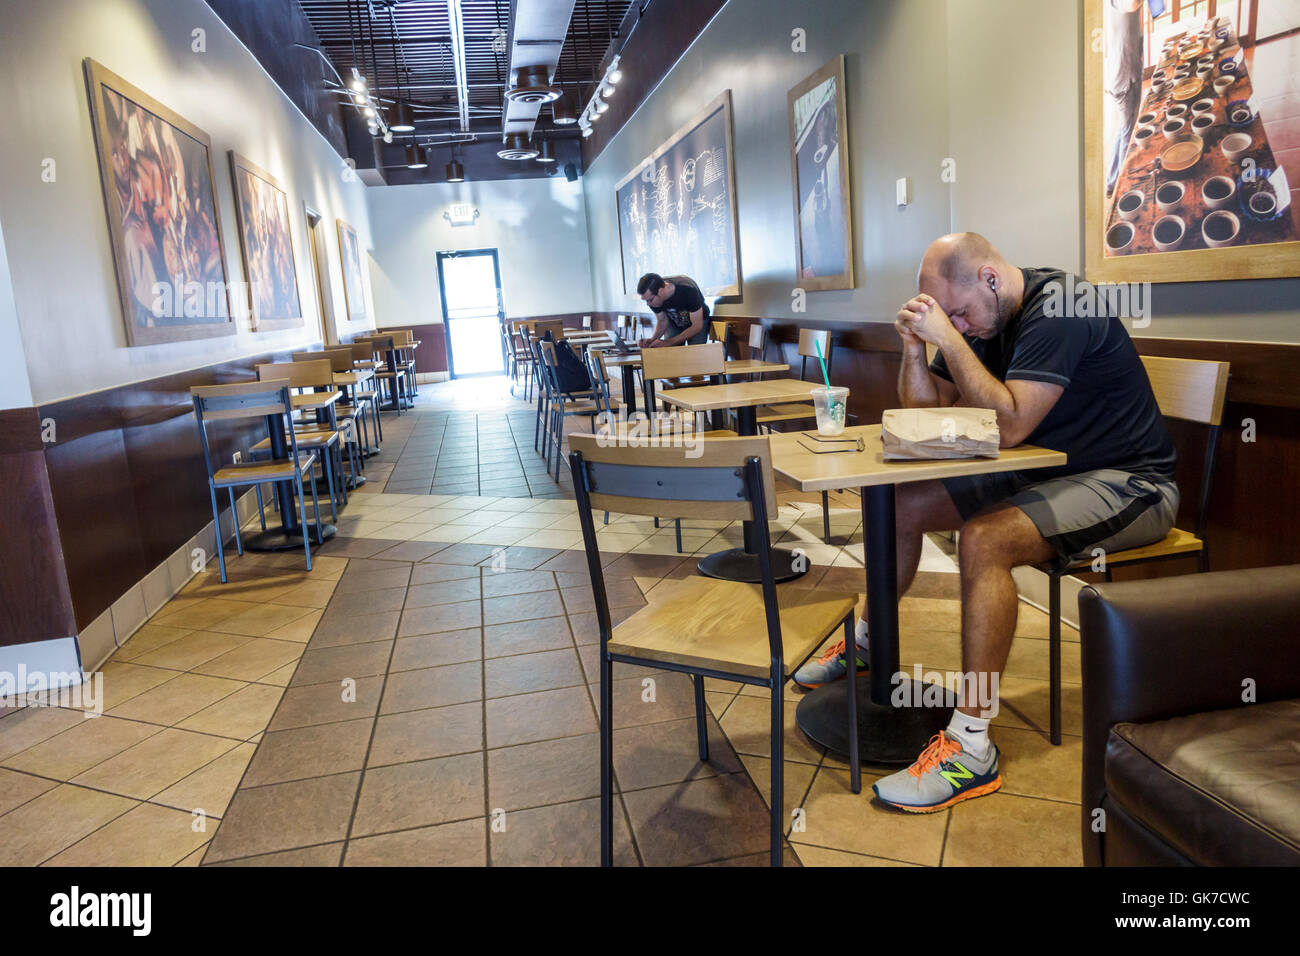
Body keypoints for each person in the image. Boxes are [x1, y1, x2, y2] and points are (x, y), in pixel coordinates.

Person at [795, 232, 1179, 813]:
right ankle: (870, 644)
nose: (961, 325)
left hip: (1132, 482)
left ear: (991, 280)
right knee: (901, 501)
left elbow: (1007, 428)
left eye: (961, 313)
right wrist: (915, 351)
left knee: (986, 540)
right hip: (1047, 476)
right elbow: (923, 418)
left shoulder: (1064, 307)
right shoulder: (980, 321)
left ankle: (971, 748)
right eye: (949, 318)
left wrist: (948, 334)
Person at [1104, 0, 1146, 198]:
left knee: (1123, 130)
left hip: (1127, 74)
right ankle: (1123, 191)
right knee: (1128, 134)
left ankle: (1111, 183)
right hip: (1124, 80)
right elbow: (1132, 5)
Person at [636, 273, 710, 346]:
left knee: (696, 353)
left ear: (661, 290)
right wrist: (652, 341)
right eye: (646, 301)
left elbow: (697, 326)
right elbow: (663, 321)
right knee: (670, 353)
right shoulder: (652, 298)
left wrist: (668, 342)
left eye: (650, 300)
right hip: (675, 322)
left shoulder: (688, 290)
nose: (648, 304)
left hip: (697, 321)